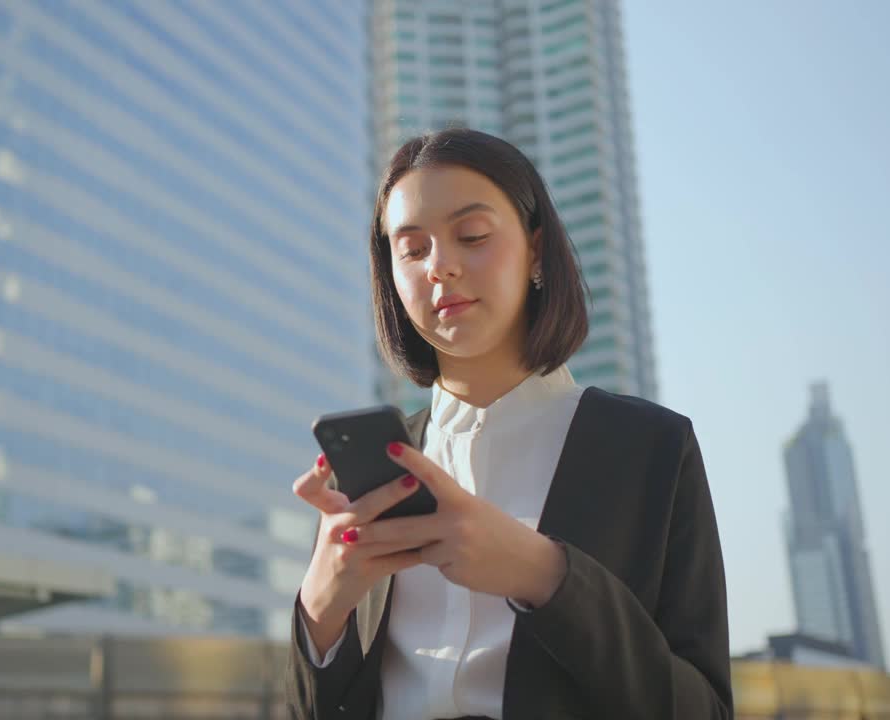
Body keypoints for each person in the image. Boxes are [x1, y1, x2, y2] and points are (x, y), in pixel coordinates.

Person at [286, 128, 732, 719]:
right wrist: (320, 610)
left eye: (471, 236)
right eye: (412, 250)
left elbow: (703, 710)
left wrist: (545, 575)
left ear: (537, 250)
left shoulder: (649, 449)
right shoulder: (372, 472)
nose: (439, 267)